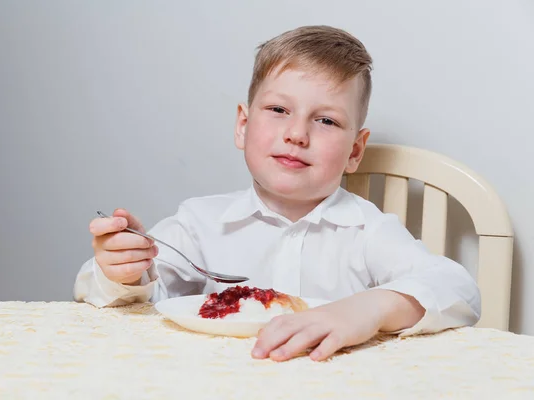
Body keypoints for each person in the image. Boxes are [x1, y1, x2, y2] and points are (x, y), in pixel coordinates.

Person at [74, 25, 480, 362]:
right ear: (243, 126)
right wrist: (123, 272)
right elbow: (137, 302)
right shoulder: (199, 224)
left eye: (325, 120)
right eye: (279, 110)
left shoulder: (366, 230)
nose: (297, 134)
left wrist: (366, 309)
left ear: (355, 150)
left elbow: (457, 289)